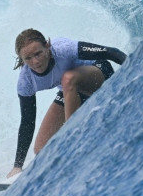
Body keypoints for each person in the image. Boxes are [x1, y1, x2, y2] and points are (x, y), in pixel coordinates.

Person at [7, 28, 126, 178]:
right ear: (22, 59)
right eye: (28, 58)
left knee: (68, 79)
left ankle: (73, 138)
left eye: (38, 53)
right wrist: (18, 165)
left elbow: (110, 52)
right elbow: (27, 122)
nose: (35, 62)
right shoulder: (26, 81)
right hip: (73, 92)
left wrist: (137, 67)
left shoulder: (63, 49)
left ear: (47, 46)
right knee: (40, 148)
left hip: (97, 75)